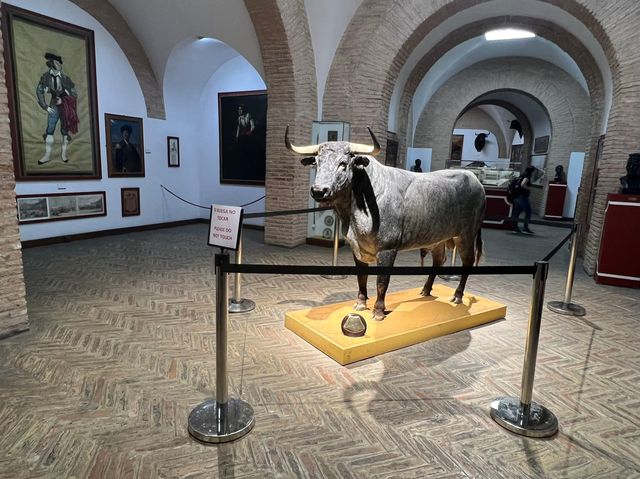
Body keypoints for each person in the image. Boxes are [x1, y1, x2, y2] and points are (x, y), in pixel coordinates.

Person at [36, 52, 78, 165]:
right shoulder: (45, 77)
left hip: (64, 107)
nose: (60, 64)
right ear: (51, 64)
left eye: (60, 63)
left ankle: (64, 154)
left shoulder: (65, 78)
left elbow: (74, 94)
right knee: (50, 130)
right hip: (53, 106)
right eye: (57, 62)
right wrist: (45, 106)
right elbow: (39, 91)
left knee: (65, 131)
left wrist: (64, 99)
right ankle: (47, 156)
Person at [511, 165, 535, 235]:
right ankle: (525, 228)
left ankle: (515, 228)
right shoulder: (527, 176)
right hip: (522, 197)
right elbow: (523, 184)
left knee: (517, 212)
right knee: (528, 212)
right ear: (532, 171)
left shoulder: (522, 175)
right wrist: (529, 188)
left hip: (517, 196)